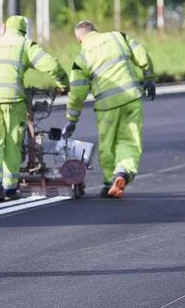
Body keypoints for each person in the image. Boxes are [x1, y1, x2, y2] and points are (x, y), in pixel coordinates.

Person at [0, 16, 69, 202]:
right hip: (12, 100)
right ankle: (9, 188)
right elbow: (52, 65)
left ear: (4, 28)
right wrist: (63, 83)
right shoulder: (25, 45)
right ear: (24, 31)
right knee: (12, 142)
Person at [63, 20, 155, 198]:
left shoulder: (81, 58)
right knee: (130, 141)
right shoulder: (118, 37)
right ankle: (123, 172)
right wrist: (149, 78)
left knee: (107, 145)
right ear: (95, 31)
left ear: (79, 39)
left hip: (107, 106)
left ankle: (108, 182)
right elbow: (142, 55)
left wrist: (72, 120)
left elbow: (77, 93)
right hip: (132, 98)